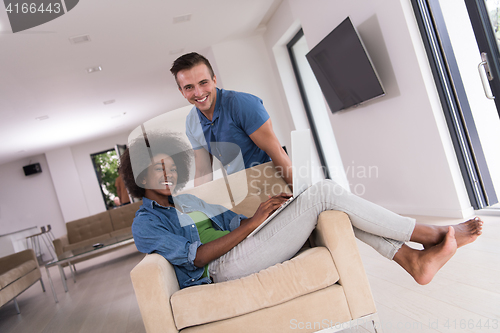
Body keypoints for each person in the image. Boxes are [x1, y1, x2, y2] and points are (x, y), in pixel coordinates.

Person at [120, 131, 483, 289]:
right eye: (155, 169)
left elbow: (238, 224)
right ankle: (430, 235)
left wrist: (266, 213)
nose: (165, 174)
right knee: (325, 193)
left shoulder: (189, 201)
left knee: (324, 202)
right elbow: (197, 257)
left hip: (245, 246)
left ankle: (413, 262)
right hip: (219, 269)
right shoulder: (146, 223)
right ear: (139, 175)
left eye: (169, 166)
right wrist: (254, 225)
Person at [170, 52, 293, 187]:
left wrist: (300, 194)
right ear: (182, 92)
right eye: (189, 87)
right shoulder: (192, 123)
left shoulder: (243, 105)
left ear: (214, 80)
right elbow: (203, 171)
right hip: (240, 191)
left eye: (203, 83)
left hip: (273, 182)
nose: (198, 93)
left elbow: (277, 152)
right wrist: (198, 206)